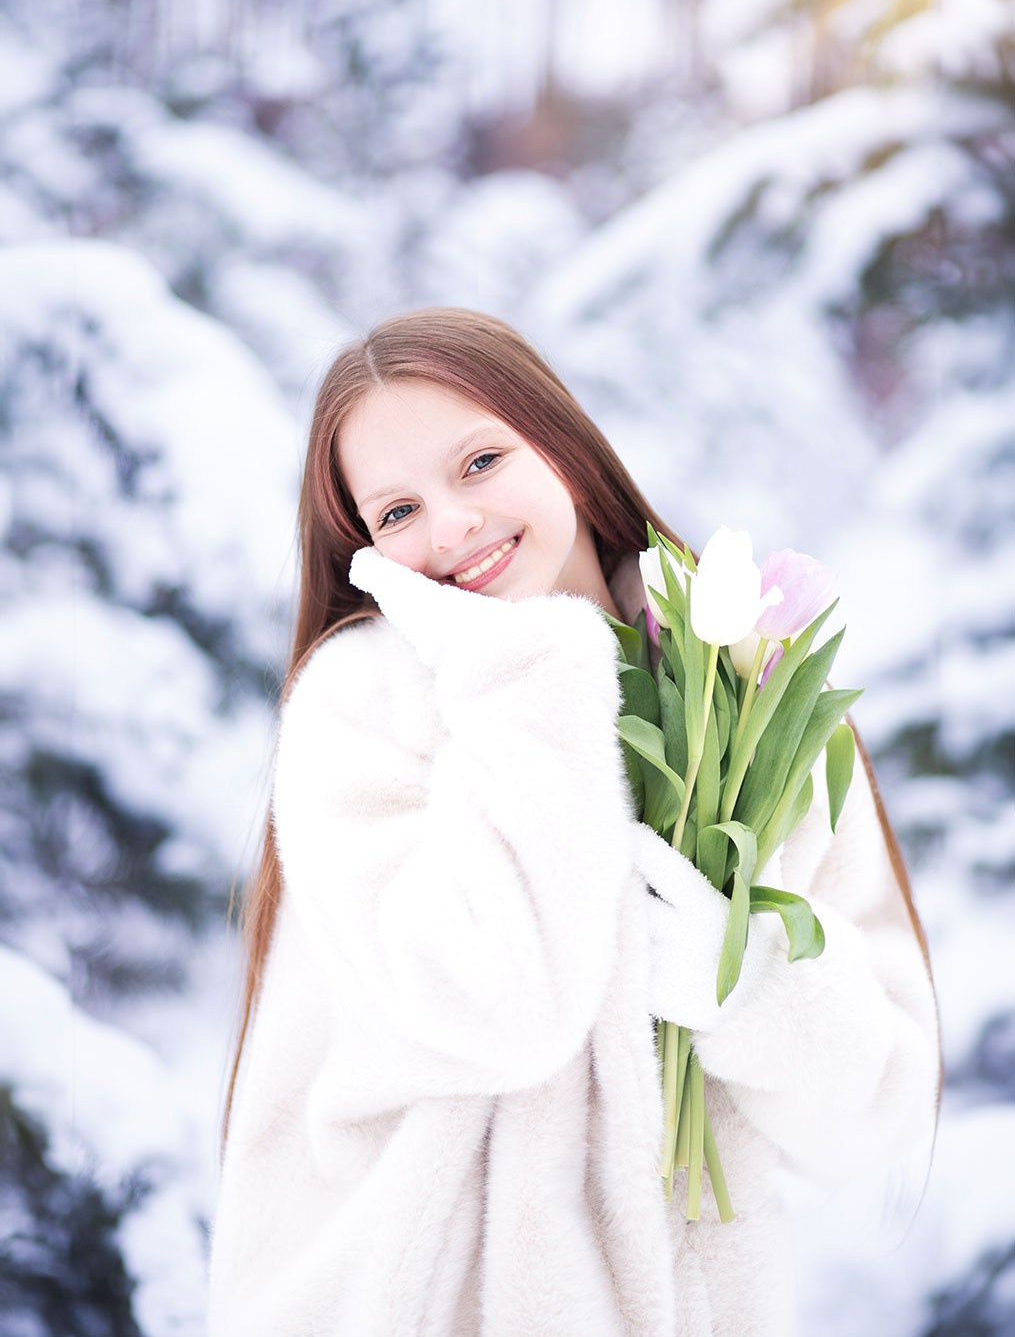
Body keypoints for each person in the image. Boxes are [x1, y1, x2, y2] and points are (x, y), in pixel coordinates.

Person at [208, 307, 940, 1336]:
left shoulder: (752, 680)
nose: (452, 526)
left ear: (565, 447)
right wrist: (524, 672)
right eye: (397, 511)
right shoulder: (359, 710)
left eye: (480, 461)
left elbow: (875, 1117)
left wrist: (751, 984)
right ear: (364, 553)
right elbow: (495, 1007)